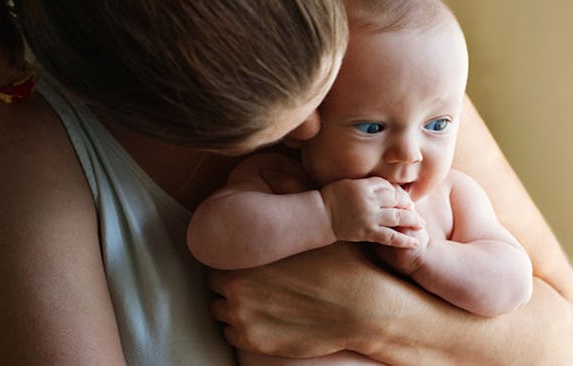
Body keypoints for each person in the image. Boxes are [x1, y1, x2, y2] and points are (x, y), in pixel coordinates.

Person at [0, 1, 573, 366]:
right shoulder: (21, 154)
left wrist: (374, 310)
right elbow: (214, 235)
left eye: (327, 91)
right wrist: (325, 216)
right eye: (364, 123)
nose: (307, 132)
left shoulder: (396, 59)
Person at [187, 1, 533, 364]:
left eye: (437, 125)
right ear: (302, 121)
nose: (409, 152)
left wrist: (428, 256)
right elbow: (208, 238)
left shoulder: (453, 197)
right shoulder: (280, 180)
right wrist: (326, 215)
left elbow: (513, 284)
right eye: (372, 128)